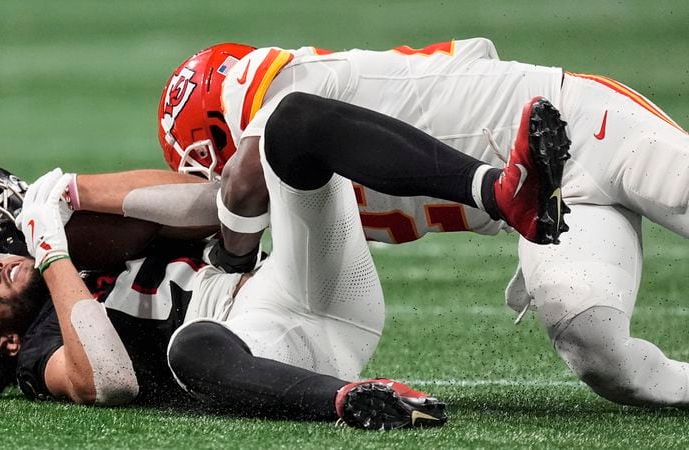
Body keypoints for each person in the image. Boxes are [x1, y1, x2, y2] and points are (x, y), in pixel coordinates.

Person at [157, 38, 689, 407]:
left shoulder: (275, 84)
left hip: (583, 123)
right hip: (551, 210)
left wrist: (231, 259)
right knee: (600, 352)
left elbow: (244, 179)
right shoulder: (302, 174)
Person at [0, 161, 449, 429]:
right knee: (195, 347)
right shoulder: (41, 347)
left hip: (303, 281)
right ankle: (350, 398)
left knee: (293, 128)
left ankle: (493, 189)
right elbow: (110, 380)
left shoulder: (89, 248)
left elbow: (219, 201)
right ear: (9, 342)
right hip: (271, 349)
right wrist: (51, 256)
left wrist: (72, 194)